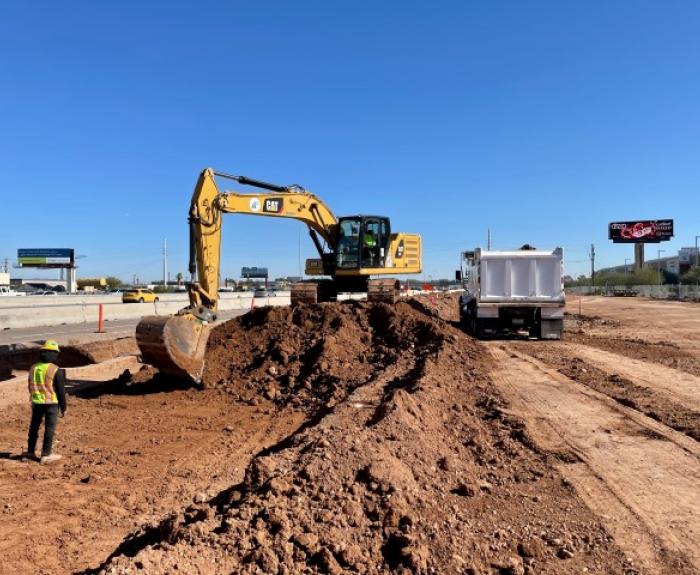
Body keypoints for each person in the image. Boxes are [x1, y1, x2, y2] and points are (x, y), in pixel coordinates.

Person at [22, 339, 67, 464]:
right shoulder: (54, 369)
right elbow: (61, 391)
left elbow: (30, 385)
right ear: (53, 354)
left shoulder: (33, 368)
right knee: (49, 429)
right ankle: (46, 455)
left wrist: (34, 399)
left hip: (37, 403)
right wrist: (64, 408)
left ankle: (30, 452)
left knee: (34, 428)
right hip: (51, 404)